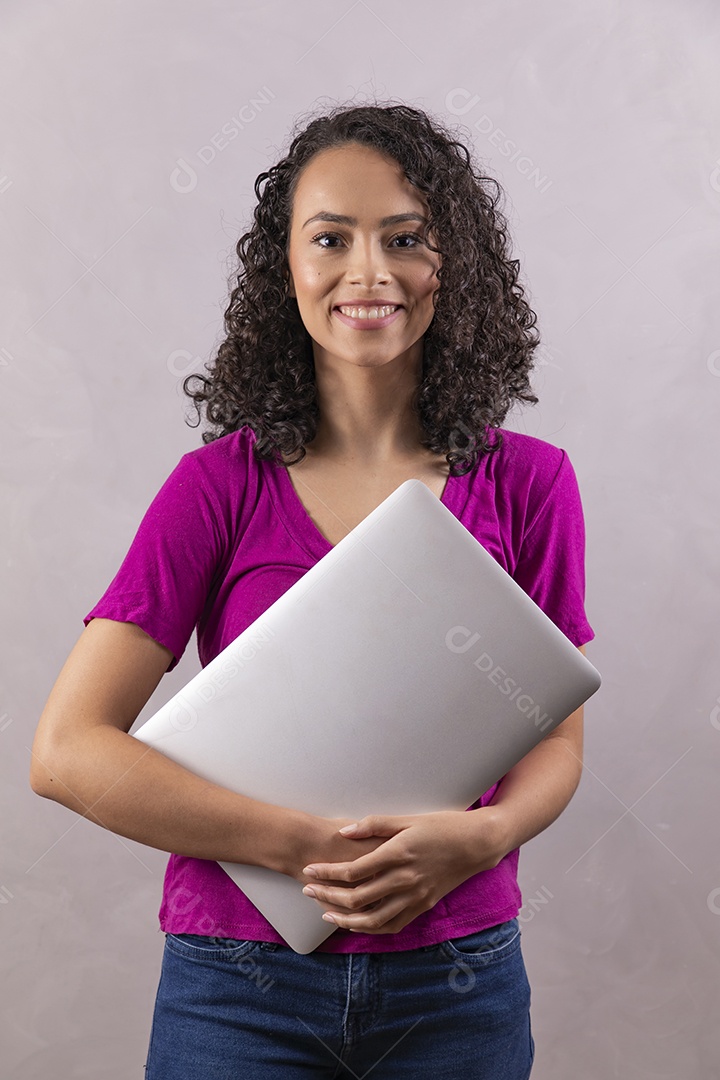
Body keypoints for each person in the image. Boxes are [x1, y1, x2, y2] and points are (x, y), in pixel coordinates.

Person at [30, 101, 594, 1079]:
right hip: (236, 989)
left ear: (453, 264)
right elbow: (67, 753)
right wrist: (301, 846)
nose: (368, 273)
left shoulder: (532, 484)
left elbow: (554, 735)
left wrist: (483, 838)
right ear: (285, 267)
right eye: (331, 238)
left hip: (459, 983)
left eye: (405, 238)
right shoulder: (216, 489)